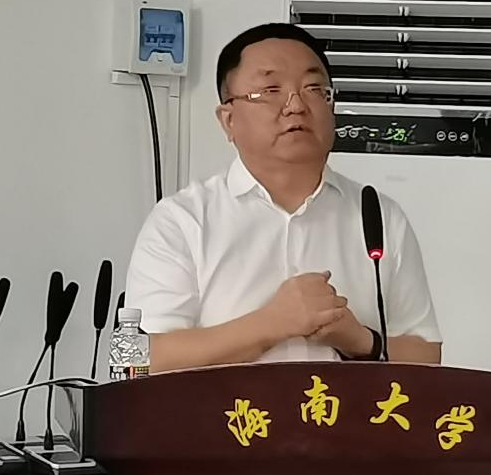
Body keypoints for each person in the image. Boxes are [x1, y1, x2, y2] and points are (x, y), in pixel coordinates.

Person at [125, 22, 441, 372]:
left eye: (313, 89)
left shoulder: (379, 217)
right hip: (228, 410)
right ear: (228, 120)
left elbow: (427, 355)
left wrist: (360, 340)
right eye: (270, 90)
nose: (296, 105)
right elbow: (137, 359)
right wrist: (271, 324)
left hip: (344, 410)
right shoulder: (183, 220)